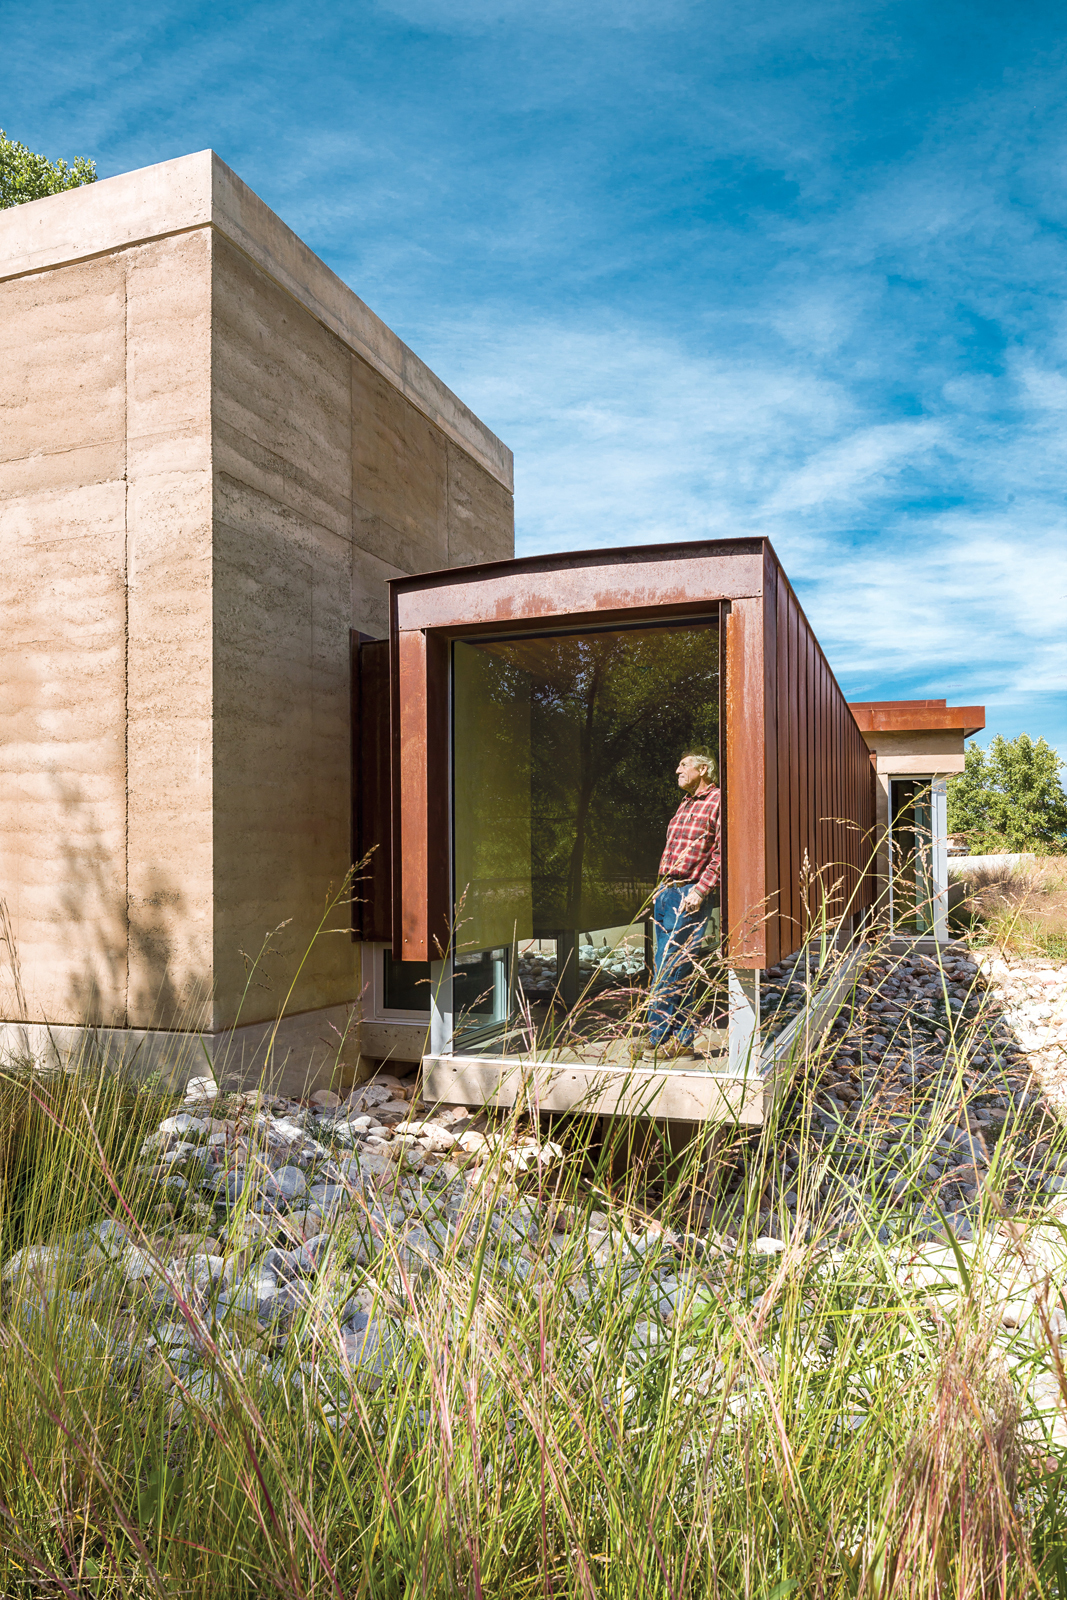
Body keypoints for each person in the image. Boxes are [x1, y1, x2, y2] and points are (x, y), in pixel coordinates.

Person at [646, 749, 721, 1059]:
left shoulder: (717, 802)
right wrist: (660, 888)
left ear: (703, 769)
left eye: (684, 765)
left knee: (674, 967)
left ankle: (674, 1037)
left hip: (689, 895)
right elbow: (672, 850)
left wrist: (701, 890)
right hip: (667, 893)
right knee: (669, 966)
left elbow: (720, 853)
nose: (677, 770)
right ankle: (666, 1037)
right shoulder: (685, 804)